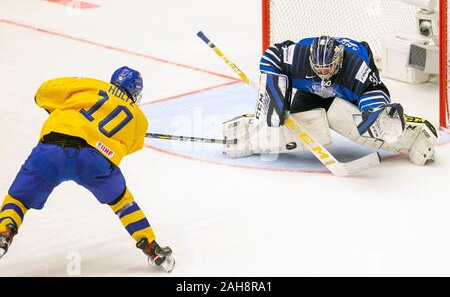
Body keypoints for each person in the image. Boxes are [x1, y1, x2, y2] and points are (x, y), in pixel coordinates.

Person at [0, 66, 174, 273]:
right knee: (123, 203)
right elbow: (129, 147)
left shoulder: (89, 85)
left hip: (52, 151)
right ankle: (152, 248)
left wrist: (58, 109)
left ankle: (4, 234)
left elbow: (42, 93)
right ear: (136, 92)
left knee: (19, 199)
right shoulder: (139, 119)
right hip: (94, 162)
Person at [223, 36, 438, 165]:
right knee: (295, 125)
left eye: (328, 68)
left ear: (339, 60)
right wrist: (275, 96)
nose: (324, 72)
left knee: (357, 126)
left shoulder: (355, 69)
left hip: (346, 87)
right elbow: (272, 56)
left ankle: (415, 135)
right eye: (319, 68)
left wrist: (373, 113)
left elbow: (375, 89)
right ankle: (252, 138)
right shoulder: (298, 56)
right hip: (312, 91)